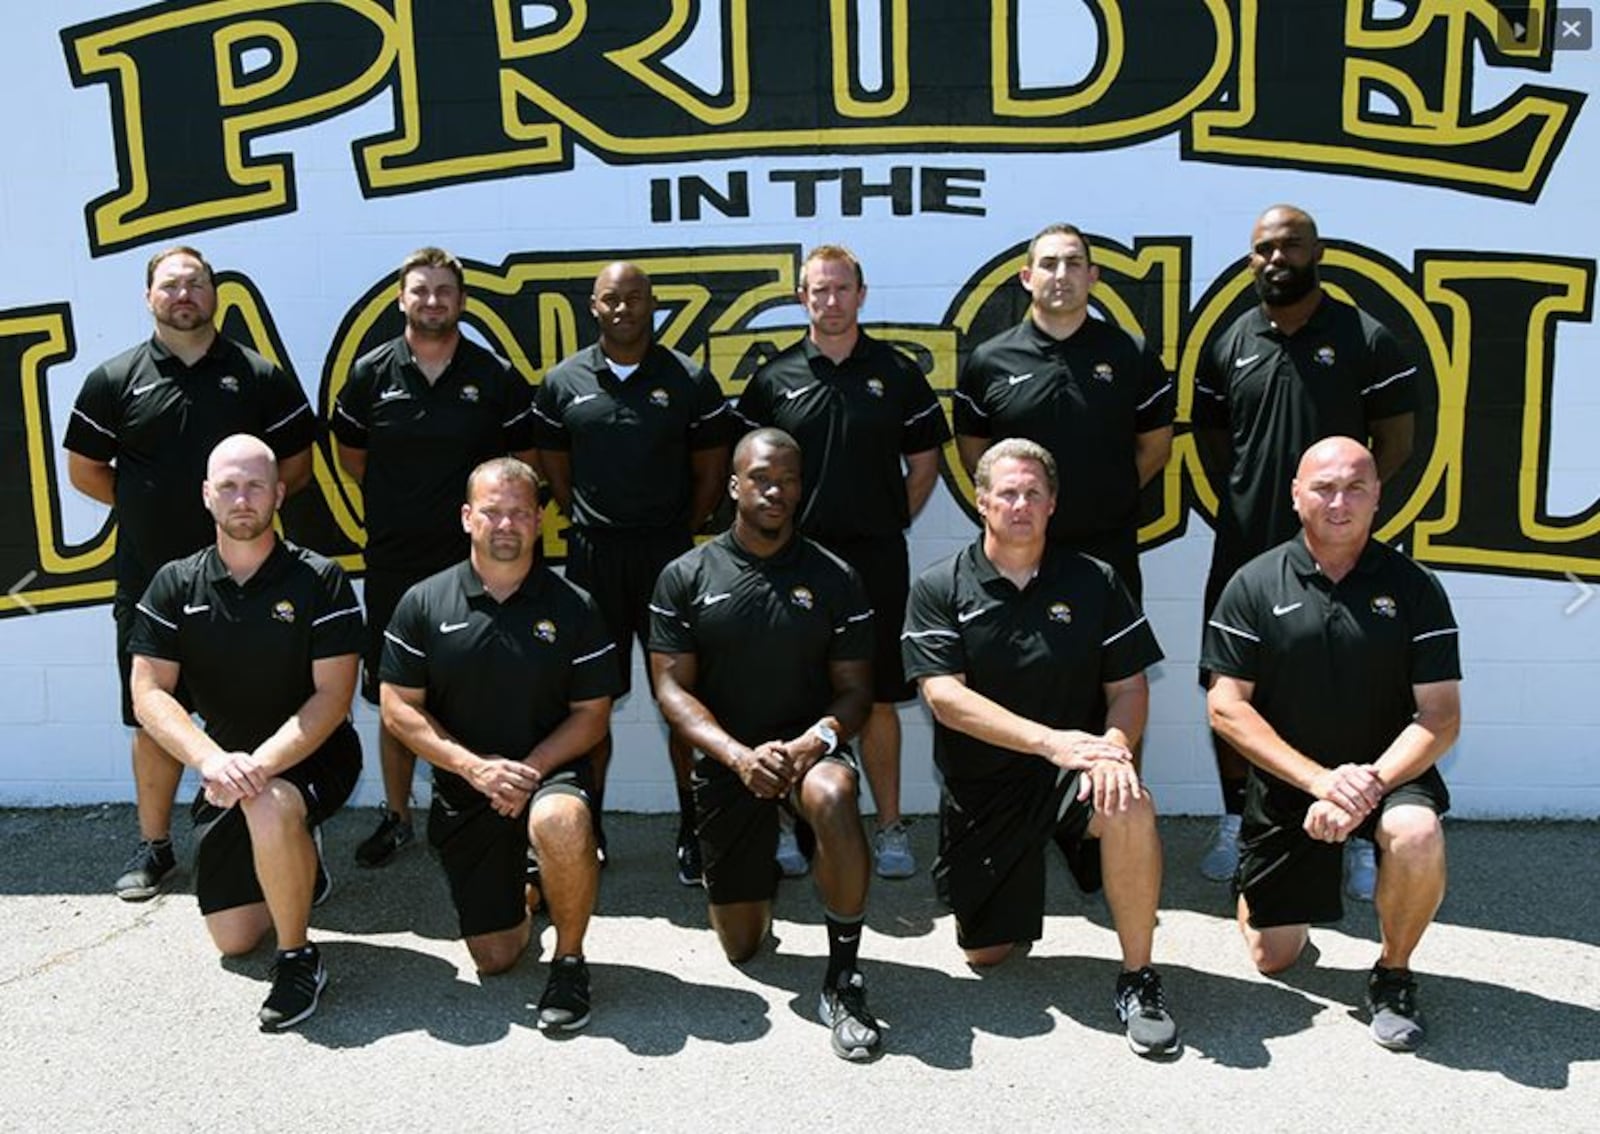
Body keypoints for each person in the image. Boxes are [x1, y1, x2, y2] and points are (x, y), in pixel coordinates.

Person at [902, 438, 1179, 1059]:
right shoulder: (939, 585)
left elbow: (1130, 689)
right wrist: (1048, 742)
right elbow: (944, 697)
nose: (1020, 504)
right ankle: (1015, 886)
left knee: (1131, 803)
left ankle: (1140, 978)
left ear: (1053, 504)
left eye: (1033, 493)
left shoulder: (1095, 580)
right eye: (1007, 493)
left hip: (1075, 772)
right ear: (981, 502)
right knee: (986, 954)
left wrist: (1112, 749)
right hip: (984, 786)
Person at [64, 246, 318, 901]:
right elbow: (85, 470)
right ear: (150, 297)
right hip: (151, 584)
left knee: (269, 715)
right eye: (171, 285)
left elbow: (296, 465)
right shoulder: (114, 378)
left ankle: (292, 845)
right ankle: (155, 848)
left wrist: (247, 522)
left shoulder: (258, 375)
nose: (185, 295)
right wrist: (151, 505)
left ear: (215, 295)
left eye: (197, 284)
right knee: (153, 719)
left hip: (247, 583)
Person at [1203, 437, 1459, 1052]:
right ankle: (1264, 883)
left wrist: (1364, 785)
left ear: (1377, 497)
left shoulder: (1415, 586)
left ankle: (1393, 973)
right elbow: (1225, 707)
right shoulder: (1253, 583)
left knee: (1416, 835)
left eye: (1355, 488)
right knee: (1274, 958)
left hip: (1390, 772)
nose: (1338, 502)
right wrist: (1320, 782)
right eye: (1322, 487)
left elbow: (1440, 715)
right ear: (1296, 495)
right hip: (1293, 781)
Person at [1192, 205, 1418, 895]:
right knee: (1230, 688)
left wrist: (1340, 513)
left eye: (1290, 244)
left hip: (1337, 552)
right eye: (1263, 247)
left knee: (1349, 685)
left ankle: (1356, 829)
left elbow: (1397, 443)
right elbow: (1212, 440)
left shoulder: (1366, 337)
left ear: (1318, 250)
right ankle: (1238, 821)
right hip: (1244, 549)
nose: (1275, 257)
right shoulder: (1230, 342)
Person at [648, 428, 883, 1061]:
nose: (776, 490)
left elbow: (856, 692)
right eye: (761, 478)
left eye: (789, 479)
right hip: (731, 763)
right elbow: (671, 690)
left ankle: (844, 975)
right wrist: (737, 757)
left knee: (835, 792)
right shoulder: (686, 575)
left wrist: (812, 745)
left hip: (807, 753)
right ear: (733, 485)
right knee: (742, 946)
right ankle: (765, 856)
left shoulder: (835, 576)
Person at [128, 435, 362, 1031]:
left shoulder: (320, 579)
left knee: (266, 805)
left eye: (255, 484)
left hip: (314, 757)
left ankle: (299, 957)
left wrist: (253, 767)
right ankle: (298, 856)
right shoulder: (175, 584)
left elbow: (333, 699)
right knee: (233, 940)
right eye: (228, 486)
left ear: (279, 493)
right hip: (224, 767)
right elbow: (149, 691)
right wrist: (211, 761)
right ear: (207, 496)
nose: (242, 498)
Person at [379, 457, 617, 1031]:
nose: (505, 524)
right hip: (467, 783)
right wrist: (474, 769)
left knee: (559, 821)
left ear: (539, 521)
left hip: (549, 770)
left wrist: (529, 770)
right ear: (467, 518)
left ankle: (569, 960)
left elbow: (592, 717)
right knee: (496, 956)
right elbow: (396, 707)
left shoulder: (574, 607)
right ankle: (534, 887)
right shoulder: (424, 602)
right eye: (492, 512)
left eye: (519, 512)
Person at [734, 245, 949, 879]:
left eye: (840, 289)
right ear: (802, 298)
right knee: (784, 694)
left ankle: (888, 827)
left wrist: (888, 518)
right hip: (790, 564)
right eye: (818, 290)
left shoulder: (897, 372)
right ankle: (783, 827)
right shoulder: (773, 378)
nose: (830, 301)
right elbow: (747, 471)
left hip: (876, 560)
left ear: (861, 293)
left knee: (880, 696)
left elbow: (925, 462)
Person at [330, 246, 539, 869]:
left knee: (494, 690)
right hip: (396, 561)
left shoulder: (494, 375)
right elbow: (353, 457)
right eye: (420, 290)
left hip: (478, 567)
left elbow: (519, 466)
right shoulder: (371, 374)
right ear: (401, 299)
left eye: (444, 291)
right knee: (399, 696)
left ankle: (505, 809)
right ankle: (398, 818)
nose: (432, 301)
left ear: (462, 301)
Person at [533, 262, 733, 882]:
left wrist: (676, 532)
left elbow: (710, 474)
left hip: (671, 558)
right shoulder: (562, 382)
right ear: (594, 306)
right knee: (591, 703)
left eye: (635, 299)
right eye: (611, 300)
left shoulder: (690, 381)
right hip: (593, 559)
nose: (623, 309)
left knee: (684, 701)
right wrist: (595, 519)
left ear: (653, 305)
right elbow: (556, 473)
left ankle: (693, 827)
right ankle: (587, 827)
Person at [954, 223, 1174, 601]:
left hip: (1107, 545)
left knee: (1113, 659)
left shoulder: (1131, 355)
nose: (1061, 275)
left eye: (1073, 264)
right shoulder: (988, 361)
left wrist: (1108, 495)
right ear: (1026, 277)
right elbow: (975, 452)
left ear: (1092, 277)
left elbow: (1156, 448)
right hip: (1019, 547)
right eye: (1049, 264)